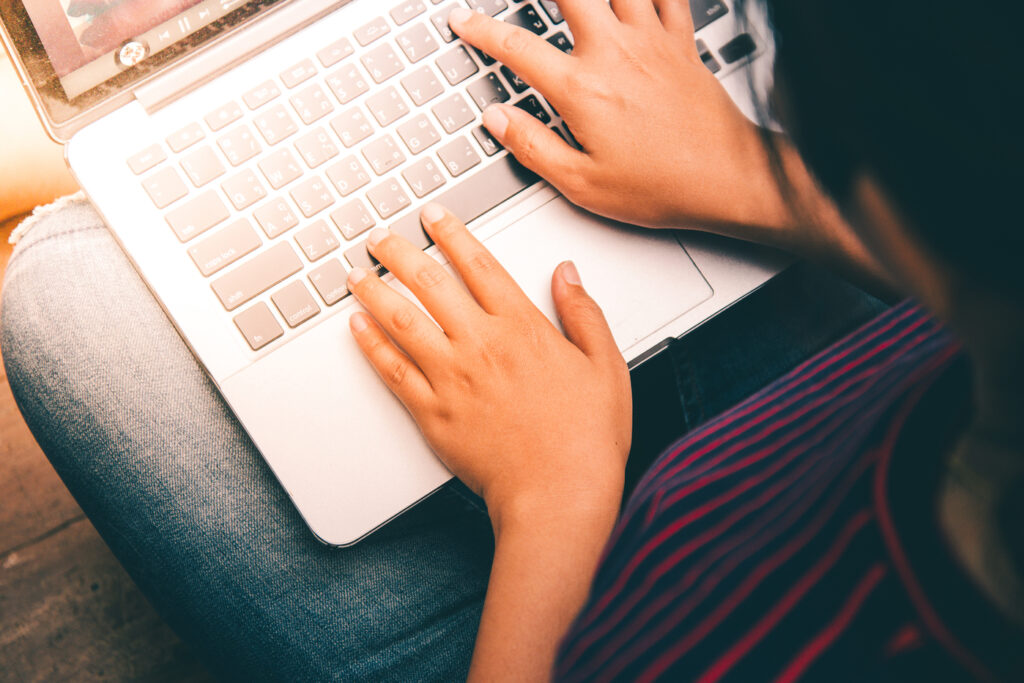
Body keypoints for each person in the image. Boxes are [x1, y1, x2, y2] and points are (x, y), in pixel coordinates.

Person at [2, 0, 1021, 680]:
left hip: (587, 609)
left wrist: (552, 501)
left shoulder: (811, 637)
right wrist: (754, 176)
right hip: (818, 427)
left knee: (66, 282)